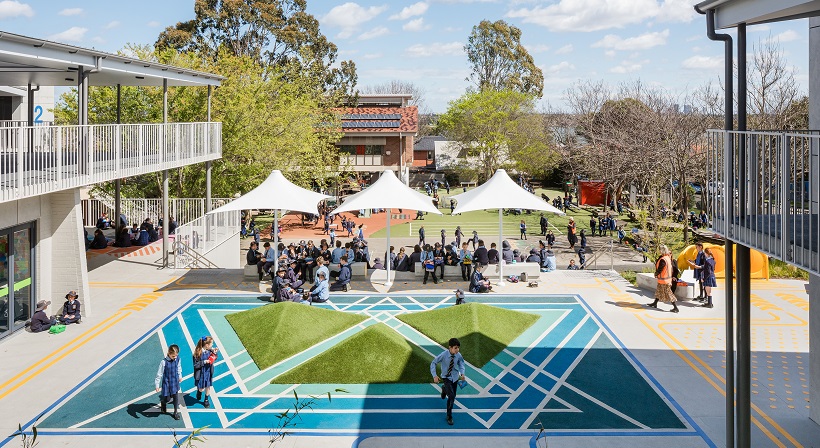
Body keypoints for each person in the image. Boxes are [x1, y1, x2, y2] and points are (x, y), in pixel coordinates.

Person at [431, 337, 466, 426]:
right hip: (446, 377)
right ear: (450, 347)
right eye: (455, 348)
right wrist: (434, 375)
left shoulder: (458, 355)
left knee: (453, 396)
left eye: (458, 347)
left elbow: (461, 363)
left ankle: (444, 389)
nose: (457, 350)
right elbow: (433, 362)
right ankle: (449, 416)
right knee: (452, 396)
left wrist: (462, 373)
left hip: (454, 377)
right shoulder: (443, 355)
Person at [647, 245, 679, 313]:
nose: (659, 251)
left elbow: (660, 269)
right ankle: (655, 303)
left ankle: (675, 308)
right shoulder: (667, 258)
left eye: (660, 250)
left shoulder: (663, 260)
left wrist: (656, 273)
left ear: (662, 250)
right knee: (659, 291)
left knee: (669, 294)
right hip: (665, 279)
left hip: (664, 279)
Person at [155, 344, 182, 420]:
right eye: (173, 356)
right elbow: (159, 374)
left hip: (175, 381)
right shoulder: (163, 362)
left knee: (176, 397)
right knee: (167, 399)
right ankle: (163, 402)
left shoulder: (178, 359)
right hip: (167, 383)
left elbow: (179, 368)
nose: (175, 357)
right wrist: (157, 385)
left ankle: (175, 412)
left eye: (176, 355)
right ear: (169, 353)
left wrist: (180, 376)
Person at [193, 336, 219, 408]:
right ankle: (199, 391)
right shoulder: (197, 353)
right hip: (201, 373)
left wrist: (214, 353)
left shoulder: (210, 351)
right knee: (201, 388)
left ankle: (206, 400)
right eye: (211, 344)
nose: (212, 346)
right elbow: (196, 365)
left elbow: (214, 358)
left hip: (208, 372)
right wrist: (204, 362)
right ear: (207, 345)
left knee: (208, 387)